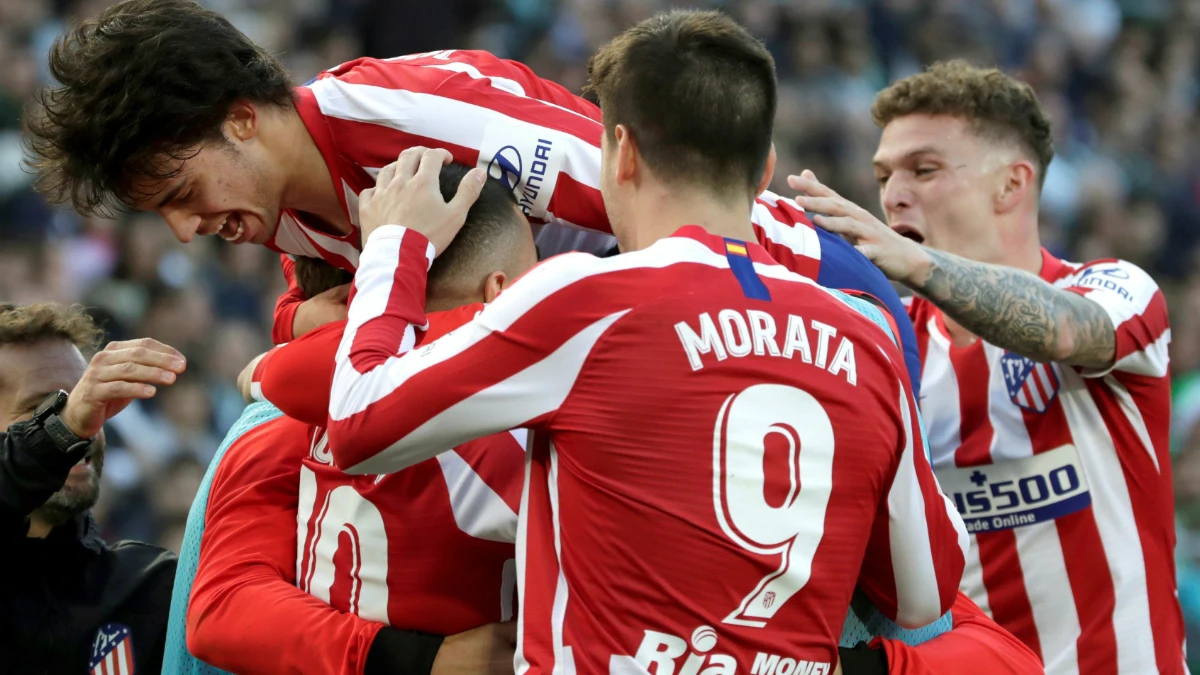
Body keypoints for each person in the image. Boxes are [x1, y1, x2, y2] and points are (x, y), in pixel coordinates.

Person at [325, 10, 967, 673]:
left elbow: (357, 418)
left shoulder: (584, 300)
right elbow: (923, 596)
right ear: (765, 166)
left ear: (621, 152)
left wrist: (394, 246)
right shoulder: (866, 333)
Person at [21, 0, 922, 398]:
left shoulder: (406, 117)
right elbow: (309, 313)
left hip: (810, 301)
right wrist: (305, 321)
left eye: (182, 193)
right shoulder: (277, 201)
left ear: (241, 120)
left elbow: (667, 211)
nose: (187, 232)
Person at [790, 60, 1182, 674]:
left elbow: (1063, 330)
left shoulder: (1115, 287)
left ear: (1012, 184)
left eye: (924, 169)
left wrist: (914, 266)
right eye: (883, 175)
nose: (892, 194)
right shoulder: (889, 346)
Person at [165, 165, 534, 675]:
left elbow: (222, 610)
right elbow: (224, 609)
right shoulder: (533, 408)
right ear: (500, 290)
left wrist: (278, 350)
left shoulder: (288, 407)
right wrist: (420, 660)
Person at [0, 303, 185, 674]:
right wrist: (61, 429)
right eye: (41, 407)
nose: (86, 423)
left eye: (87, 397)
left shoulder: (153, 587)